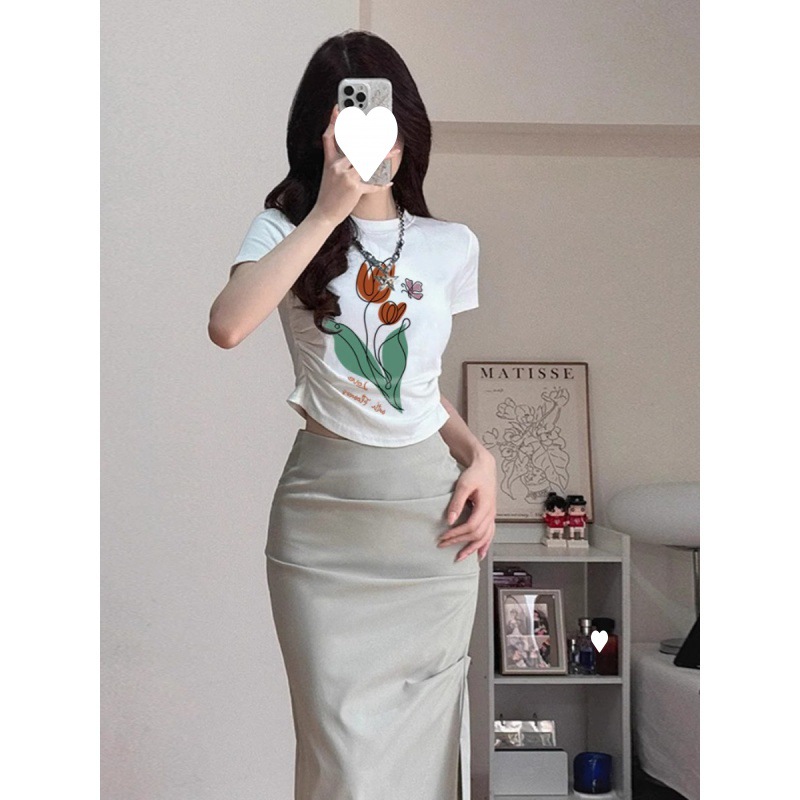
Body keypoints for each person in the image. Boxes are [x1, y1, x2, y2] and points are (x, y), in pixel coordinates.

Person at [207, 31, 497, 800]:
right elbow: (227, 326)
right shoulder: (282, 230)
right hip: (325, 524)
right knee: (343, 765)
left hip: (429, 526)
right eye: (350, 120)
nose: (372, 139)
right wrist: (326, 213)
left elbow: (416, 389)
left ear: (407, 129)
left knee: (426, 759)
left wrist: (481, 456)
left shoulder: (450, 245)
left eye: (383, 119)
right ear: (321, 133)